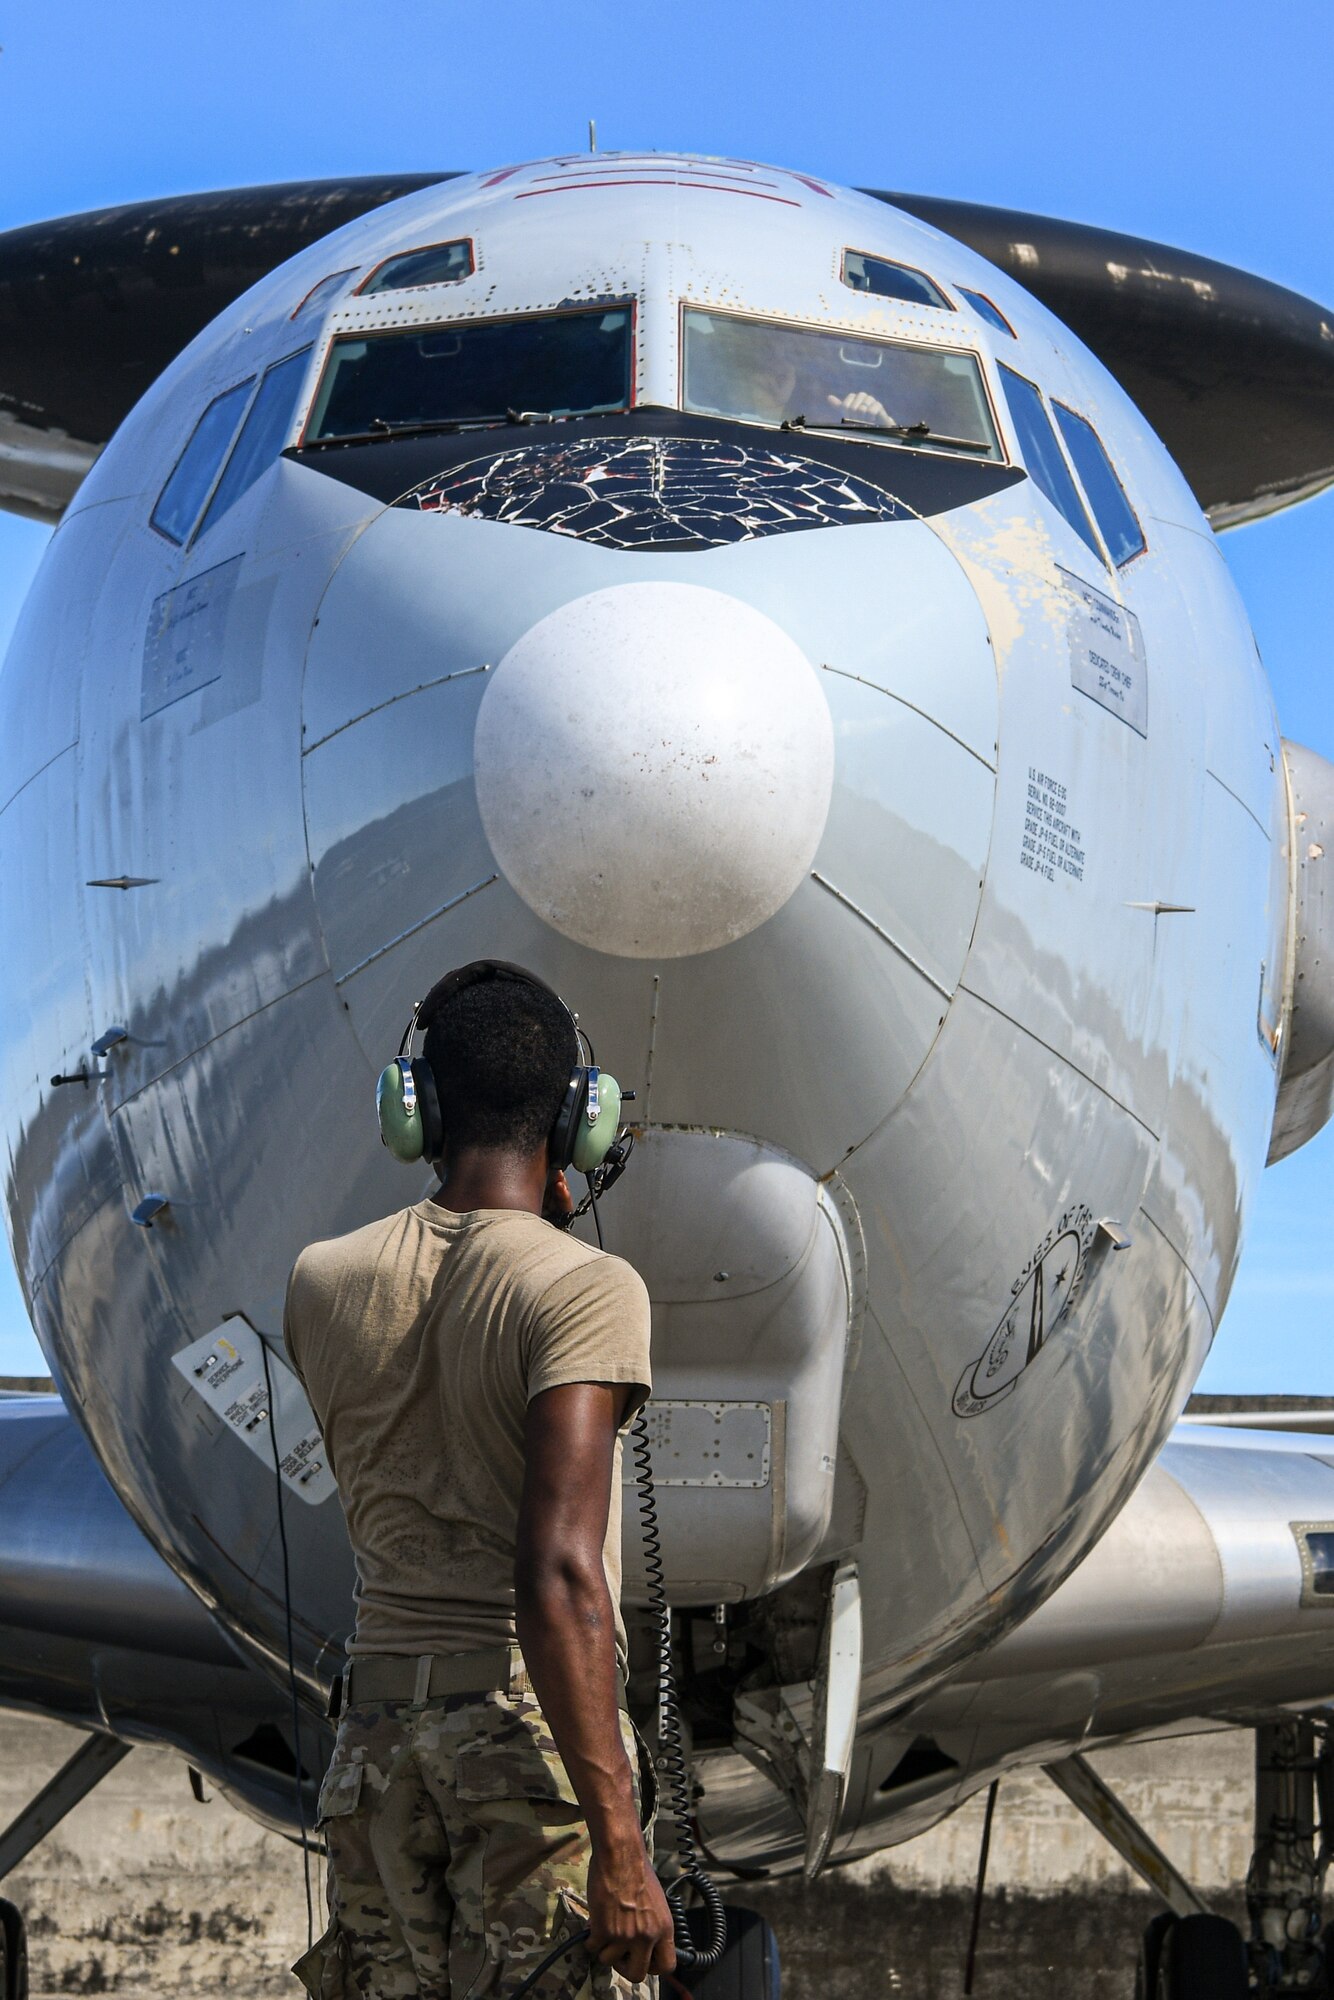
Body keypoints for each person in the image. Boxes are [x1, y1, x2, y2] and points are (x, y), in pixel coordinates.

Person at [284, 961, 675, 2000]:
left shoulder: (320, 1279)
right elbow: (556, 1571)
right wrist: (622, 1847)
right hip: (519, 1744)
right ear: (579, 1120)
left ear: (417, 1112)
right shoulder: (583, 1288)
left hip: (372, 1755)